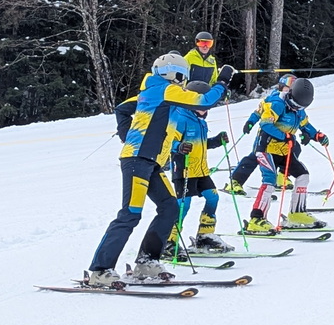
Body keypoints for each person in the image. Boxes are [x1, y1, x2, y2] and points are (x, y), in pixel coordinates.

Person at [86, 52, 235, 287]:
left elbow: (122, 109)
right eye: (182, 77)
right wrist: (223, 81)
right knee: (130, 214)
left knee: (170, 208)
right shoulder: (165, 90)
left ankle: (147, 261)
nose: (182, 82)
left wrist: (127, 133)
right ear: (175, 75)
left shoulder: (155, 92)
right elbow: (204, 101)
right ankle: (100, 270)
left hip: (151, 162)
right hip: (137, 160)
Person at [245, 78, 329, 233]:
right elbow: (265, 124)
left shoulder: (299, 110)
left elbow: (305, 125)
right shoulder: (277, 103)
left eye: (301, 107)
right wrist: (285, 136)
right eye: (295, 105)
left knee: (303, 175)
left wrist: (317, 136)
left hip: (284, 151)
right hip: (266, 149)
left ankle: (297, 213)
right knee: (270, 180)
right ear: (290, 94)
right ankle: (256, 219)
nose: (297, 108)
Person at [164, 81, 233, 260]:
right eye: (203, 105)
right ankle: (169, 241)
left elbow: (201, 144)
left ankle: (205, 236)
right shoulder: (180, 119)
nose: (206, 108)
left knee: (213, 197)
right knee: (183, 206)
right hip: (184, 170)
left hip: (201, 170)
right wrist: (179, 147)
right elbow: (168, 142)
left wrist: (217, 141)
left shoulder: (200, 121)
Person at [222, 73, 296, 196]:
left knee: (293, 150)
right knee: (256, 157)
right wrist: (250, 122)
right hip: (266, 137)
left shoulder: (292, 103)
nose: (290, 91)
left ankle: (281, 176)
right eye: (288, 88)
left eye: (292, 88)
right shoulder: (272, 100)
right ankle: (235, 181)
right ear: (281, 87)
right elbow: (258, 112)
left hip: (281, 138)